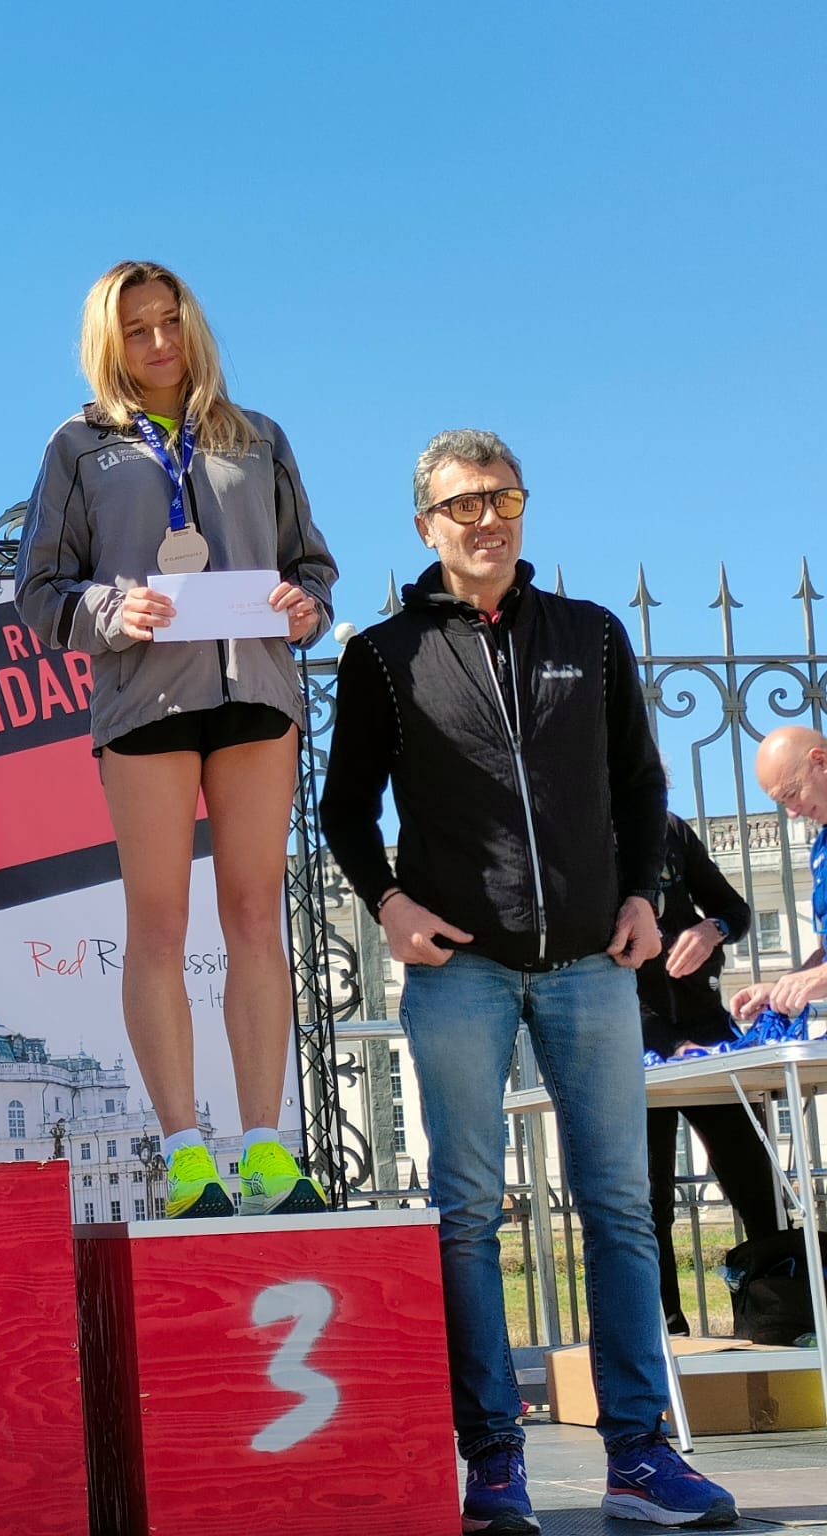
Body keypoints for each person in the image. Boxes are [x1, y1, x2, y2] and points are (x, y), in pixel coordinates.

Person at [320, 428, 737, 1531]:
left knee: (620, 1209)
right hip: (459, 970)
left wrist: (644, 895)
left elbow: (640, 785)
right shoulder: (384, 654)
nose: (487, 519)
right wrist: (388, 903)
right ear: (426, 526)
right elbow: (343, 807)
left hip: (591, 965)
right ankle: (493, 1462)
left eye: (503, 498)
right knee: (466, 1215)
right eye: (463, 504)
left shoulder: (590, 635)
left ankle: (639, 1456)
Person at [14, 261, 336, 1219]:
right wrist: (113, 610)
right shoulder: (78, 445)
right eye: (137, 329)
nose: (159, 343)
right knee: (158, 926)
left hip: (256, 699)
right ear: (108, 344)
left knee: (255, 918)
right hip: (145, 705)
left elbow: (313, 566)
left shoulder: (258, 436)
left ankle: (267, 1152)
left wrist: (305, 606)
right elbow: (40, 591)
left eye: (170, 321)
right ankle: (186, 1154)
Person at [640, 808, 780, 1335]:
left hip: (708, 1033)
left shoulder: (669, 828)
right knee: (647, 1204)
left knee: (759, 1186)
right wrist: (668, 1044)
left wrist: (711, 928)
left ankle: (783, 1322)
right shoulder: (575, 829)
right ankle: (666, 1339)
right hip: (633, 1041)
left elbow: (733, 909)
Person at [733, 726, 827, 1023]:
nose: (792, 812)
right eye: (782, 802)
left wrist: (819, 978)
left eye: (792, 794)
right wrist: (783, 987)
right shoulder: (821, 848)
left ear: (821, 761)